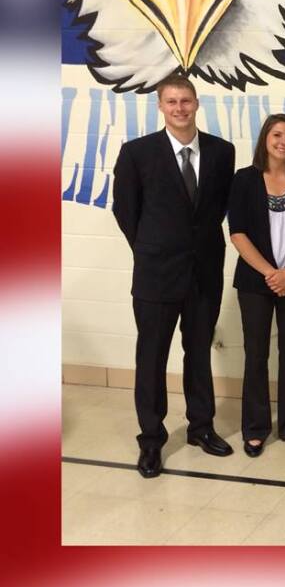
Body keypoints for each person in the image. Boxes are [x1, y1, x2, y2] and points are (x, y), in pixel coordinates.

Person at [112, 74, 235, 478]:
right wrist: (152, 248)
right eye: (171, 102)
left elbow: (215, 209)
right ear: (161, 106)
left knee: (198, 354)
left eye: (186, 101)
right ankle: (151, 441)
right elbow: (126, 211)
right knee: (151, 359)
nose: (179, 108)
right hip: (156, 275)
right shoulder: (137, 153)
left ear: (197, 103)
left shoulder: (222, 152)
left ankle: (201, 427)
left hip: (203, 274)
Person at [227, 114, 285, 457]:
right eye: (277, 135)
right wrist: (271, 273)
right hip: (255, 281)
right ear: (265, 138)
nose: (284, 142)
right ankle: (255, 428)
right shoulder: (244, 179)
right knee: (256, 354)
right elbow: (237, 233)